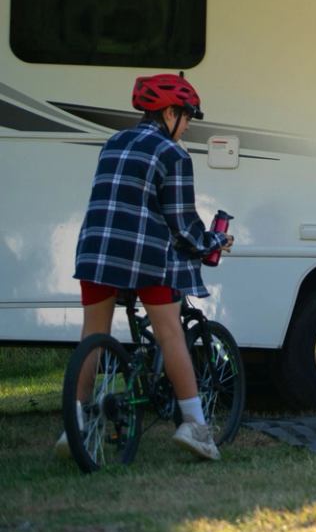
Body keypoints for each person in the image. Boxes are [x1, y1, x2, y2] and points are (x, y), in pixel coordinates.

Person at [64, 73, 232, 462]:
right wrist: (214, 241)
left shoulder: (113, 142)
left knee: (93, 335)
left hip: (95, 250)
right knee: (170, 333)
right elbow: (182, 224)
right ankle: (195, 427)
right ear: (170, 112)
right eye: (187, 118)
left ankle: (74, 425)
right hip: (144, 255)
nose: (187, 127)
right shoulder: (174, 155)